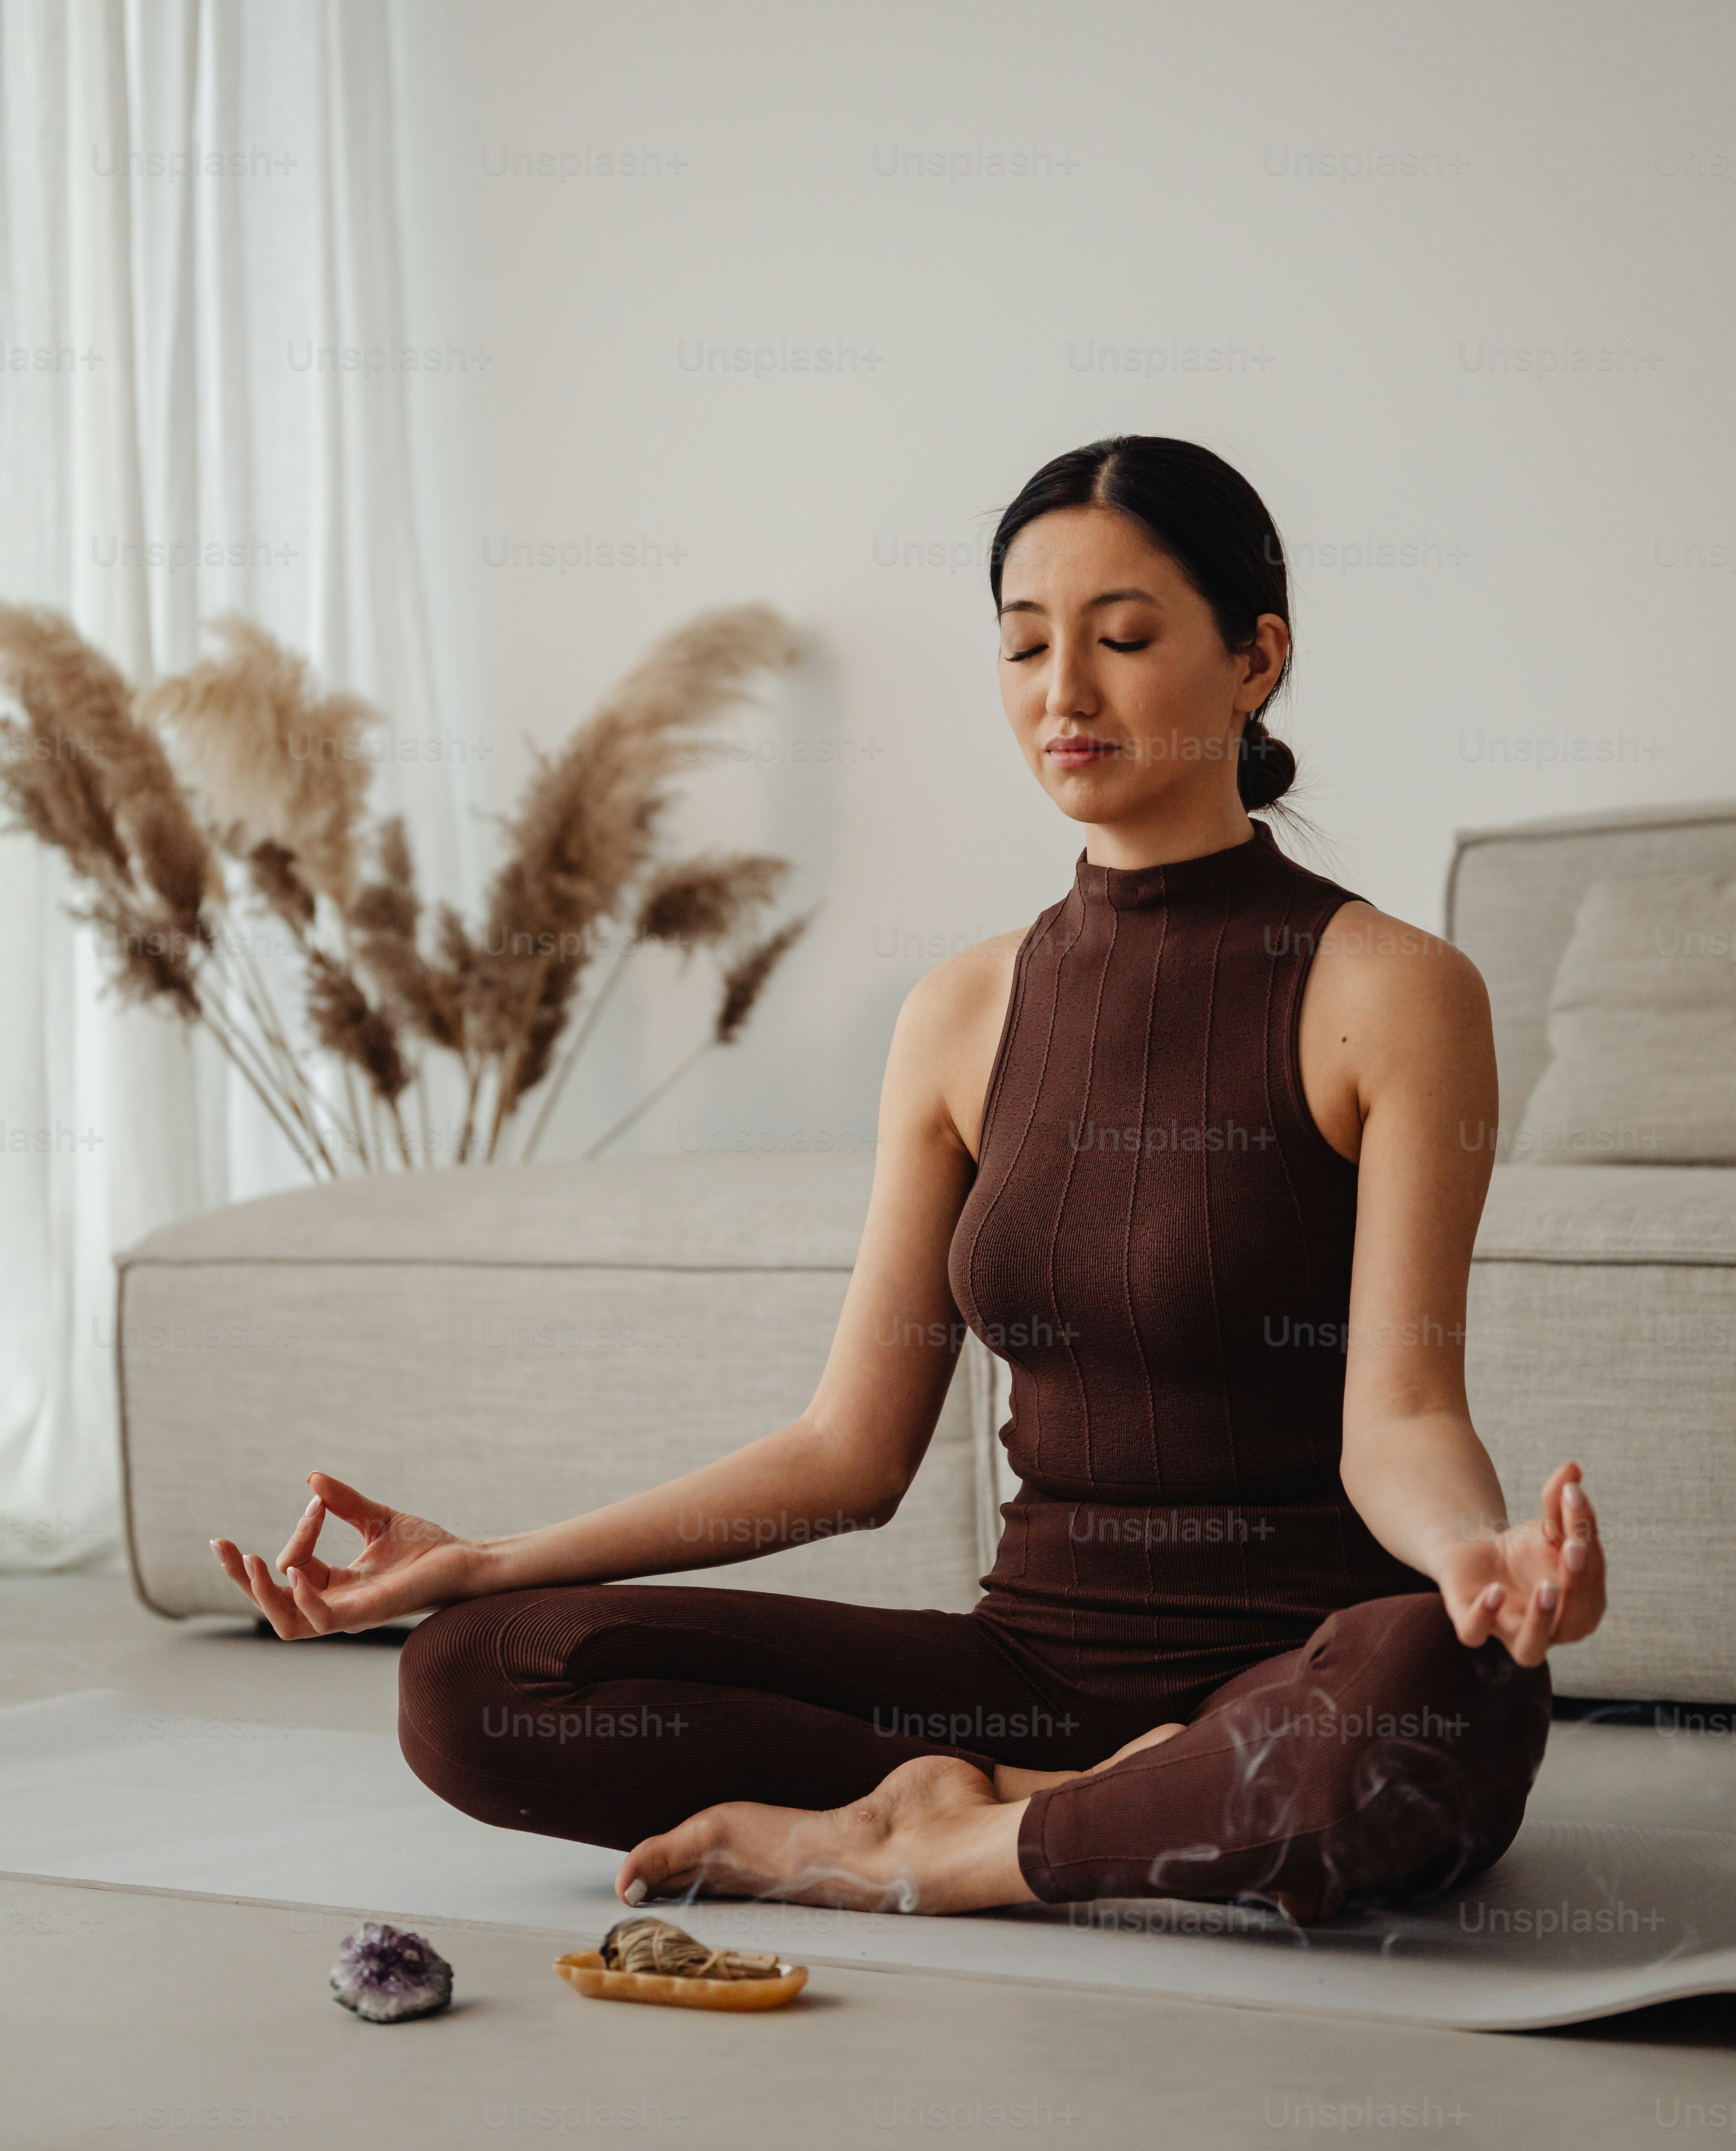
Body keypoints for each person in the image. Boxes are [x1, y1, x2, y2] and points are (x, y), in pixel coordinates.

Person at [211, 434, 1605, 1926]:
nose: (1064, 692)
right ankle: (1072, 1803)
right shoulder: (963, 1011)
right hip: (1020, 1677)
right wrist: (485, 1561)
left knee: (1426, 1700)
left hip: (1301, 1668)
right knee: (476, 1676)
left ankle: (935, 1844)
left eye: (1124, 638)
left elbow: (1398, 1417)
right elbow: (849, 1453)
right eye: (1023, 646)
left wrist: (1478, 1561)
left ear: (1257, 658)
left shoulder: (1394, 989)